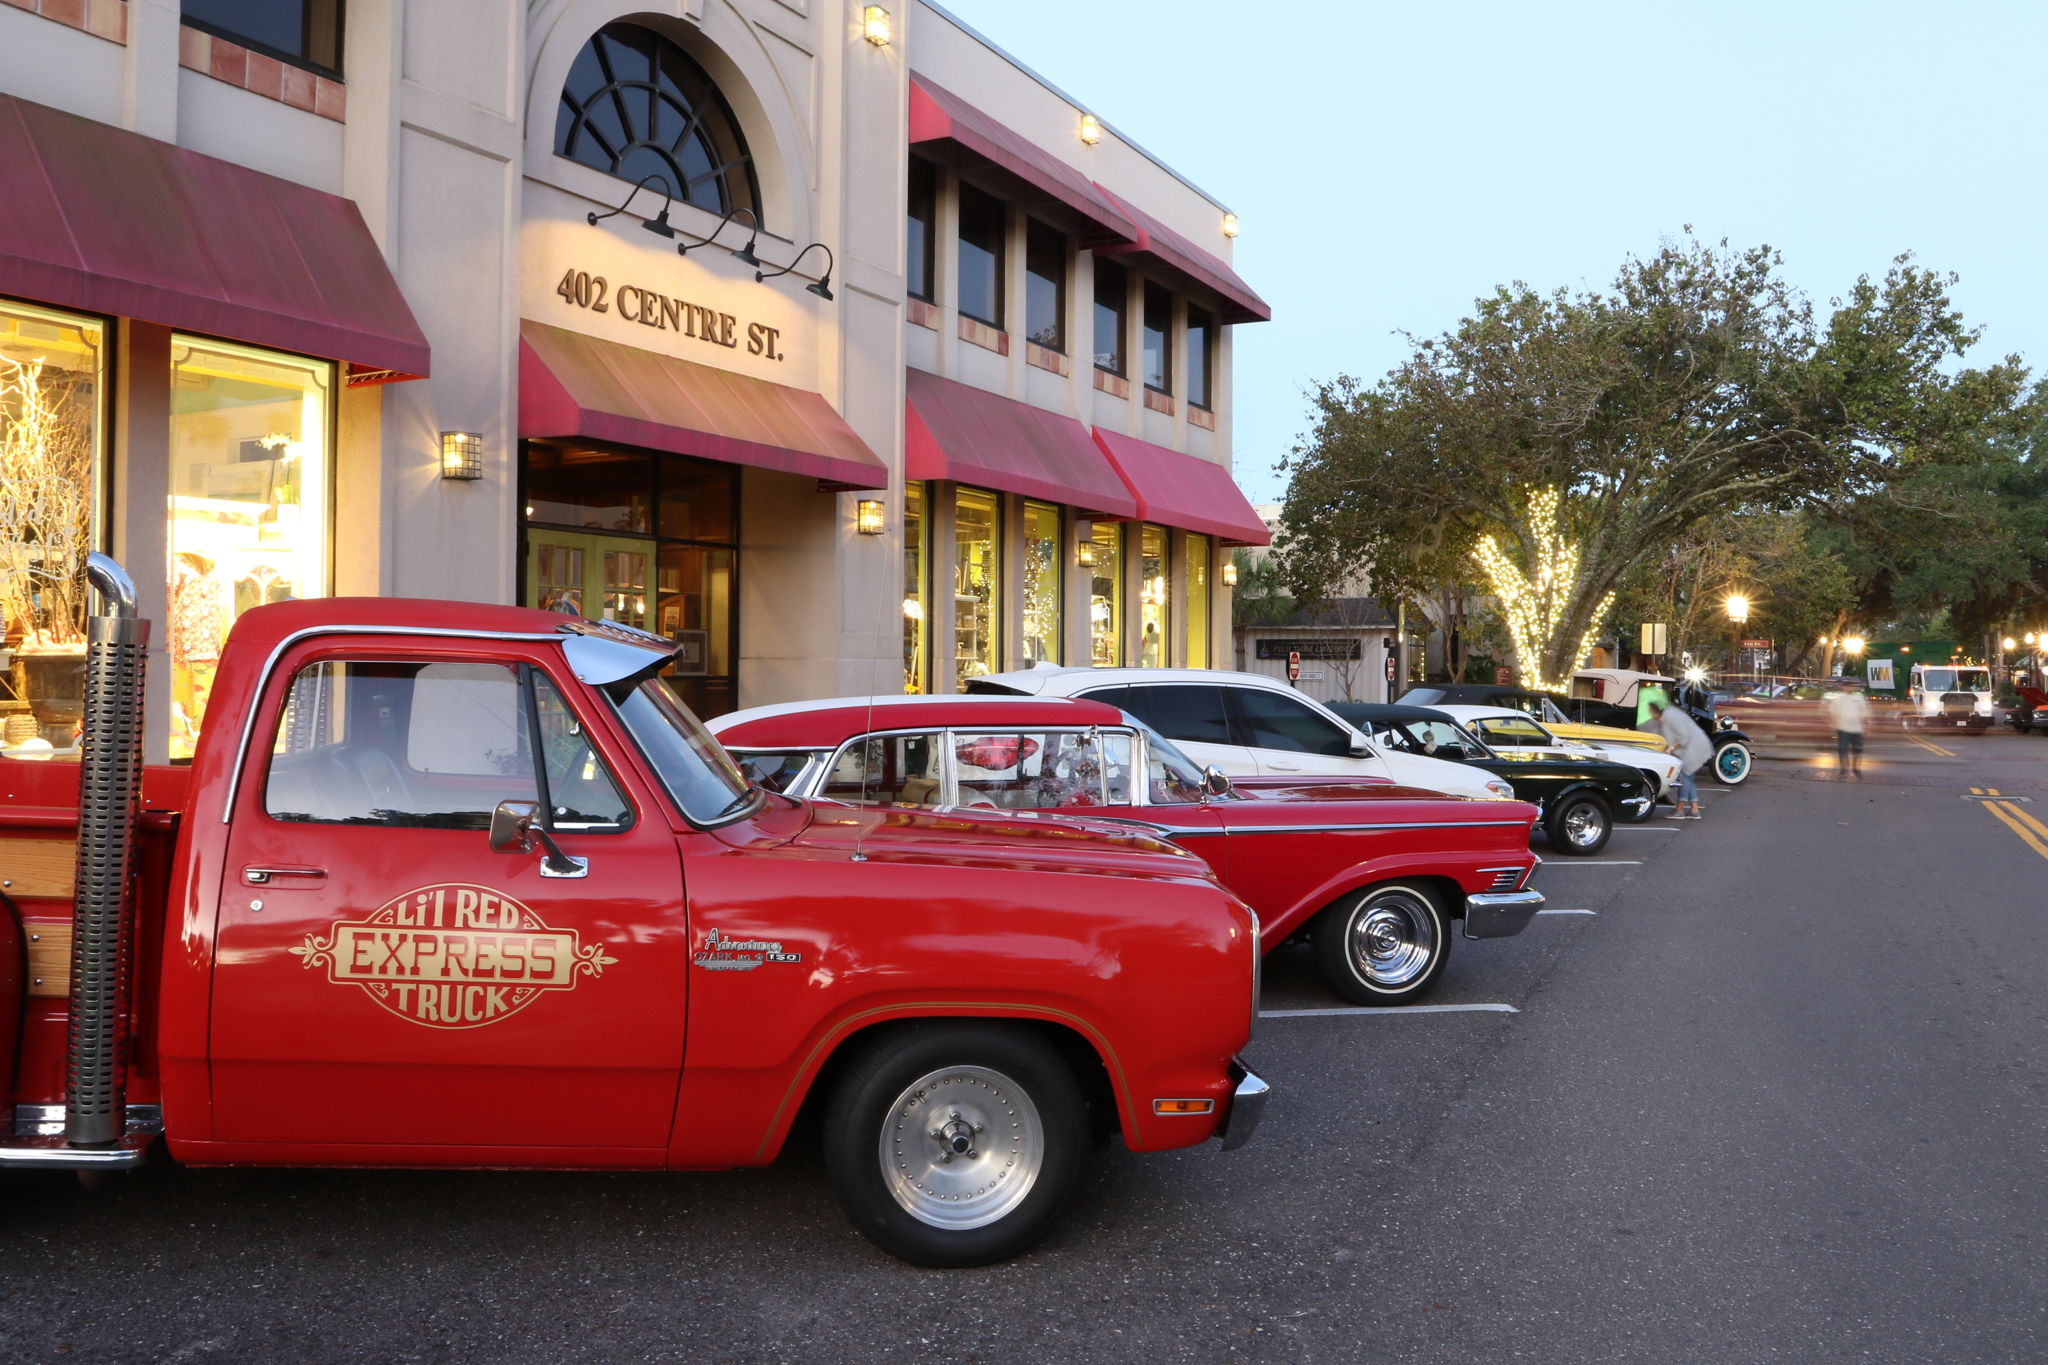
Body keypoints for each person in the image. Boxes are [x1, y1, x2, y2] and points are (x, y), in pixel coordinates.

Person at [1649, 698, 1714, 818]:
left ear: (1655, 708)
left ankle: (1680, 809)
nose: (1649, 713)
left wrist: (1671, 748)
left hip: (1692, 749)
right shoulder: (1669, 714)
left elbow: (1683, 736)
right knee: (1689, 778)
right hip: (1696, 747)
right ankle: (1694, 810)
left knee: (1684, 778)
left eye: (1650, 709)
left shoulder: (1669, 716)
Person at [1824, 680, 1870, 778]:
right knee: (1843, 749)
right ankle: (1844, 769)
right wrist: (1834, 723)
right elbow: (1831, 711)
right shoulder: (1839, 698)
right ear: (1843, 687)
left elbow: (1864, 711)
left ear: (1854, 687)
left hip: (1857, 729)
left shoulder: (1859, 697)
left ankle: (1856, 768)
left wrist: (1867, 724)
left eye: (1851, 686)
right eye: (1846, 686)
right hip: (1843, 728)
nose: (1848, 688)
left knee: (1857, 750)